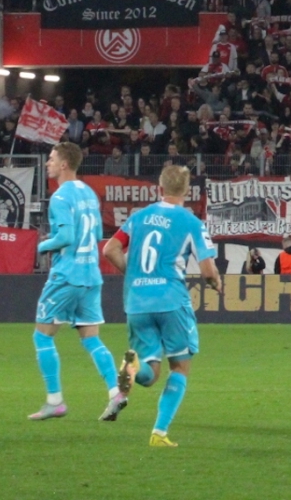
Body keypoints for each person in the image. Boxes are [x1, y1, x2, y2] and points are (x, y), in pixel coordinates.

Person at [100, 164, 224, 447]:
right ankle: (159, 432)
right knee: (179, 367)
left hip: (137, 303)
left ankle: (132, 367)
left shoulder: (138, 217)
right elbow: (207, 270)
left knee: (149, 374)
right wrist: (215, 282)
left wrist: (133, 274)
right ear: (187, 191)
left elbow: (109, 249)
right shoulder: (191, 222)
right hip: (171, 301)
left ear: (159, 188)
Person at [30, 141, 128, 421]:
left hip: (66, 276)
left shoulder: (60, 197)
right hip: (90, 275)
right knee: (91, 339)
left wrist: (42, 245)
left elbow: (66, 237)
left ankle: (55, 401)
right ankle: (116, 392)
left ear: (64, 164)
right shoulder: (89, 193)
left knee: (42, 336)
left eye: (51, 159)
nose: (48, 163)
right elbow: (96, 234)